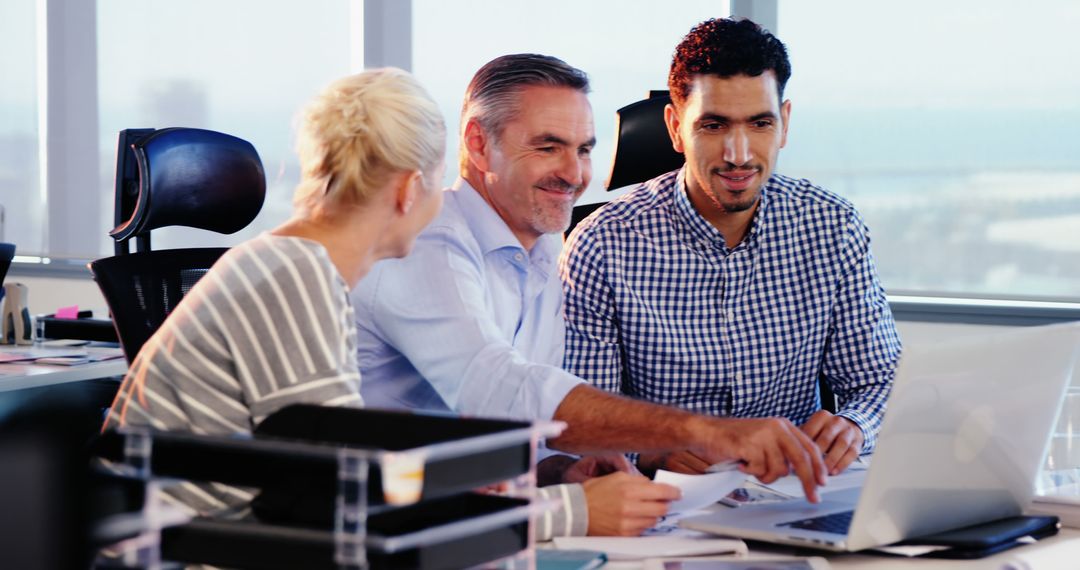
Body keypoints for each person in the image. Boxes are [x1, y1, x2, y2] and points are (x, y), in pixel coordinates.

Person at [352, 54, 827, 538]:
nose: (574, 173)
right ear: (478, 143)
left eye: (583, 150)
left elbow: (512, 433)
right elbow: (496, 388)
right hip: (383, 530)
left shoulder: (541, 251)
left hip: (468, 525)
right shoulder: (426, 240)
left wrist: (560, 470)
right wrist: (706, 430)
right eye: (548, 147)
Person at [560, 18, 902, 479]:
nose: (739, 154)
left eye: (760, 123)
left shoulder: (832, 226)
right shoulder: (601, 246)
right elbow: (581, 421)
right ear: (676, 128)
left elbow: (880, 380)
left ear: (784, 124)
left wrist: (854, 426)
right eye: (714, 125)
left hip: (794, 490)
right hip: (666, 498)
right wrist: (652, 454)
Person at [102, 68, 447, 514]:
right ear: (409, 189)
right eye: (441, 179)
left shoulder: (289, 264)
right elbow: (332, 485)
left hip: (209, 532)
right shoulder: (298, 279)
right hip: (189, 543)